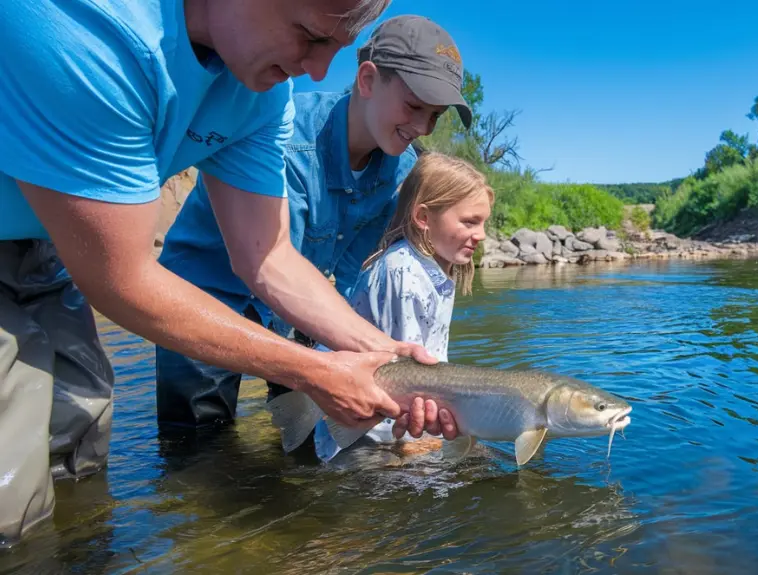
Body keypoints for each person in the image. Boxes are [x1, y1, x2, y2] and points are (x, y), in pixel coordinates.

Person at [0, 0, 444, 546]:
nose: (321, 72)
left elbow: (269, 257)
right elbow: (122, 278)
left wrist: (387, 359)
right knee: (17, 496)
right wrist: (315, 373)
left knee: (79, 439)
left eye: (335, 46)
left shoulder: (264, 92)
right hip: (123, 265)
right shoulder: (87, 30)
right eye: (308, 35)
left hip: (49, 244)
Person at [156, 15, 473, 444]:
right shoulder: (285, 141)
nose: (422, 127)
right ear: (367, 80)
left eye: (434, 116)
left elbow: (352, 282)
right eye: (414, 107)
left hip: (304, 305)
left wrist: (393, 373)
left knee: (309, 443)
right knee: (200, 444)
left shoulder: (402, 174)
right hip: (206, 294)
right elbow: (272, 264)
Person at [313, 152, 494, 463]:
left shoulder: (439, 269)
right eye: (469, 222)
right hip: (365, 428)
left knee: (478, 459)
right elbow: (406, 377)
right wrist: (418, 439)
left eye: (483, 223)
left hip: (398, 415)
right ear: (423, 218)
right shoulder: (404, 272)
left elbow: (432, 359)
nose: (481, 234)